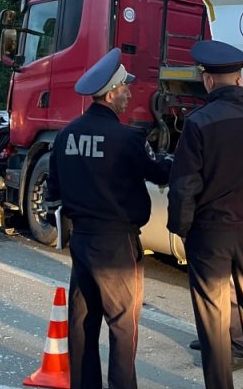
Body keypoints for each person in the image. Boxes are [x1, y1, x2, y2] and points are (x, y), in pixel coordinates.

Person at [47, 48, 171, 389]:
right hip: (117, 245)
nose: (130, 94)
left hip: (81, 241)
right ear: (111, 94)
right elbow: (160, 172)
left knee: (82, 324)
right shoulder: (127, 138)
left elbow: (53, 190)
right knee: (122, 325)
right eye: (125, 88)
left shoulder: (66, 135)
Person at [167, 40, 243, 389]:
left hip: (211, 232)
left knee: (214, 322)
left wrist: (181, 228)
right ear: (239, 78)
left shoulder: (198, 123)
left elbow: (184, 184)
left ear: (208, 80)